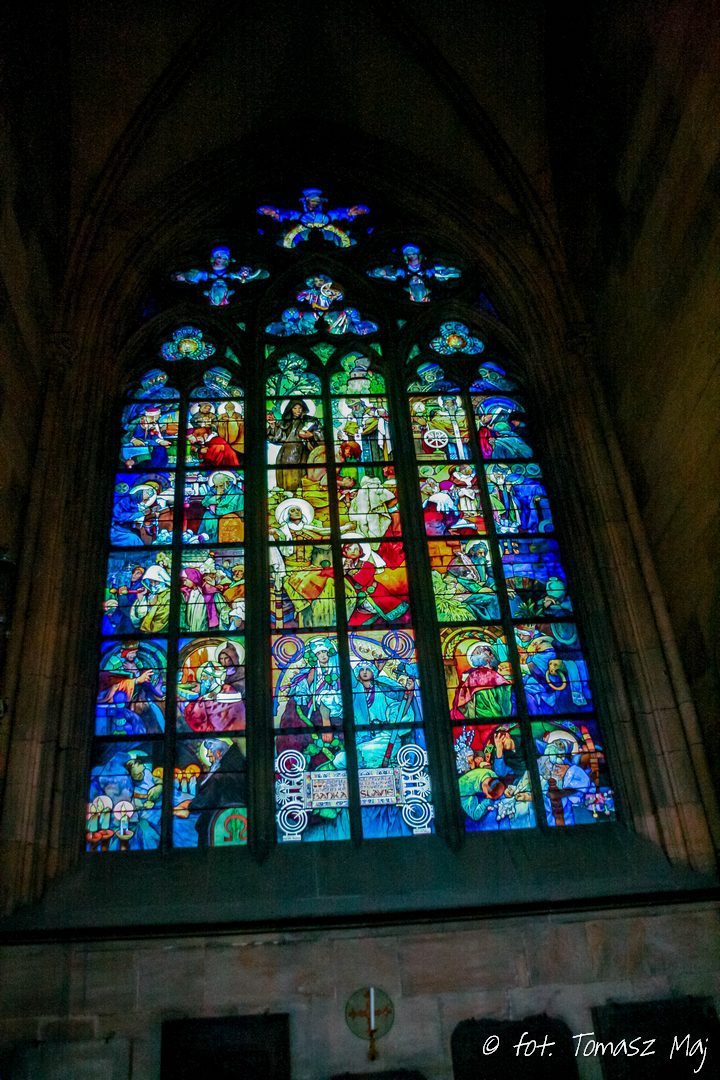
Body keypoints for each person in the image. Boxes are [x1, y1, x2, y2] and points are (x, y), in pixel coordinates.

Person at [267, 400, 322, 490]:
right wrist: (273, 425)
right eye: (295, 408)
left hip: (303, 453)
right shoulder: (285, 422)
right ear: (290, 409)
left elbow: (322, 434)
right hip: (286, 455)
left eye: (300, 408)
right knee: (286, 479)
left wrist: (312, 435)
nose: (298, 410)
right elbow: (277, 438)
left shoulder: (311, 421)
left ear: (303, 409)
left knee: (301, 476)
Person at [450, 642, 512, 720]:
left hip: (493, 713)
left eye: (482, 651)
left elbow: (505, 694)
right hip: (482, 713)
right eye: (477, 653)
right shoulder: (474, 674)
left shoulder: (495, 674)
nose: (481, 654)